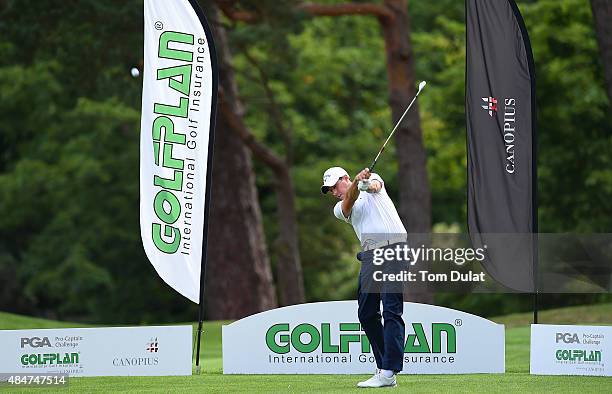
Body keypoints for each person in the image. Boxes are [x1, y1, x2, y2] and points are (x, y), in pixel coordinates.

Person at [321, 166, 407, 388]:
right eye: (329, 190)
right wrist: (355, 186)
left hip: (395, 250)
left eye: (334, 186)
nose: (333, 192)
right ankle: (383, 368)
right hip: (370, 256)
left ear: (345, 178)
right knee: (367, 313)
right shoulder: (339, 209)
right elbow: (348, 202)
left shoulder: (374, 180)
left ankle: (388, 371)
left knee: (390, 309)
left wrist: (364, 183)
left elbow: (375, 185)